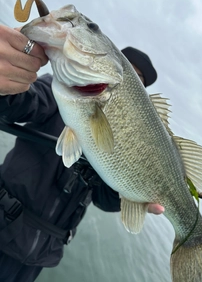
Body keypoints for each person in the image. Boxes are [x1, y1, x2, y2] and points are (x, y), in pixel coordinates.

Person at [0, 25, 164, 282]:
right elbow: (21, 104)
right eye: (127, 72)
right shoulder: (61, 91)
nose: (130, 82)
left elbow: (104, 199)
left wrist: (133, 195)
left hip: (40, 256)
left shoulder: (124, 143)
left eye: (139, 84)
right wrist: (6, 84)